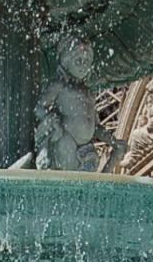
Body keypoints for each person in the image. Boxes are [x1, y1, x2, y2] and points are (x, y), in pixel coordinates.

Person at [35, 36, 127, 172]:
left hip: (87, 147)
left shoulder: (88, 92)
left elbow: (96, 126)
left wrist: (113, 142)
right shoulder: (60, 85)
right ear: (66, 62)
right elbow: (39, 107)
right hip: (66, 140)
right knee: (69, 181)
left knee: (83, 181)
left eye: (86, 62)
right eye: (78, 61)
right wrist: (51, 121)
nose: (83, 66)